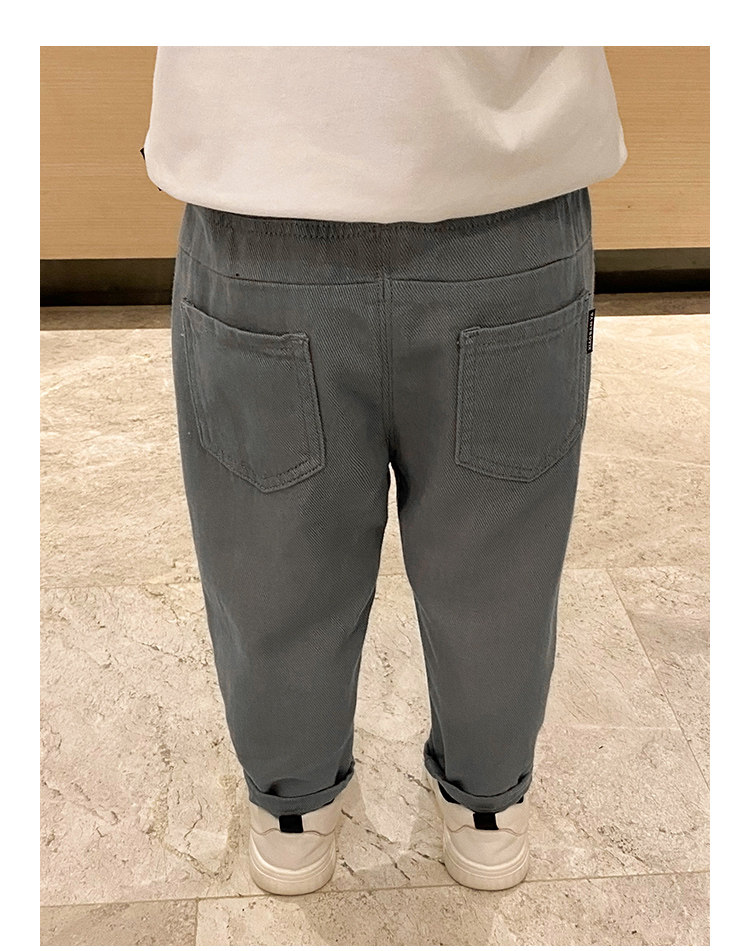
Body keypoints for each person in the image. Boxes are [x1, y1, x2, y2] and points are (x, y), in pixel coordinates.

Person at [142, 45, 627, 896]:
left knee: (276, 553)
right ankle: (480, 800)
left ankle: (304, 803)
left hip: (274, 180)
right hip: (496, 185)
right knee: (493, 560)